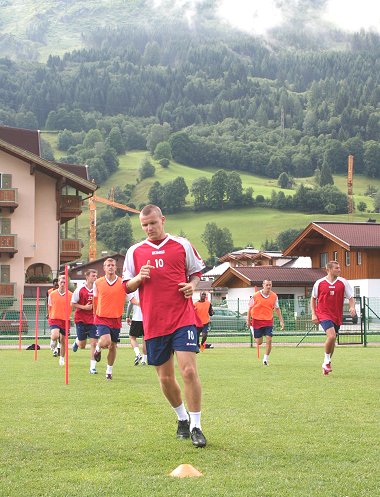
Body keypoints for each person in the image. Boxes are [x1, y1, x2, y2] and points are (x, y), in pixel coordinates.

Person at [122, 204, 207, 448]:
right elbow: (126, 285)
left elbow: (197, 273)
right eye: (144, 225)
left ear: (163, 220)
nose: (149, 228)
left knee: (189, 371)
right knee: (166, 378)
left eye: (153, 223)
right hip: (154, 322)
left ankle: (196, 425)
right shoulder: (135, 252)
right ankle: (181, 417)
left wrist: (193, 286)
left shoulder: (182, 245)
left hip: (182, 317)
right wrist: (139, 278)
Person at [311, 260, 356, 375]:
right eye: (337, 268)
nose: (339, 270)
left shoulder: (343, 282)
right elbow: (313, 298)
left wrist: (352, 307)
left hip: (336, 315)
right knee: (331, 336)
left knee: (333, 340)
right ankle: (326, 362)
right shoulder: (319, 283)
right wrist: (313, 314)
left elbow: (351, 297)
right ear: (329, 270)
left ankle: (327, 363)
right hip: (323, 313)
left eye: (339, 268)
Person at [93, 258, 126, 380]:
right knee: (106, 341)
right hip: (102, 317)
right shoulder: (98, 282)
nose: (110, 267)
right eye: (108, 265)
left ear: (116, 267)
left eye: (112, 265)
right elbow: (95, 300)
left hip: (116, 318)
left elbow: (131, 298)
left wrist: (141, 303)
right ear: (104, 268)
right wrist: (94, 315)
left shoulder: (122, 283)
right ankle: (98, 347)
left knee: (112, 346)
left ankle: (109, 371)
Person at [247, 279, 285, 366]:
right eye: (267, 285)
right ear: (263, 285)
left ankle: (265, 359)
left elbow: (277, 309)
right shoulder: (255, 295)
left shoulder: (274, 296)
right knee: (259, 342)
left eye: (270, 285)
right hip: (256, 320)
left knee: (269, 339)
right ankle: (253, 330)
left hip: (268, 320)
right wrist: (248, 320)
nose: (268, 287)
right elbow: (249, 308)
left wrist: (281, 321)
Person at [71, 269, 99, 374]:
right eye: (93, 276)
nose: (95, 278)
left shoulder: (98, 289)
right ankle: (77, 341)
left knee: (94, 343)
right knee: (82, 345)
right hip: (81, 319)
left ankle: (92, 367)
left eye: (96, 276)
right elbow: (72, 303)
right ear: (87, 277)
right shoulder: (80, 290)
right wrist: (84, 307)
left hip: (93, 319)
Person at [48, 275, 73, 366]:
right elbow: (49, 306)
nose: (62, 284)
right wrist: (50, 315)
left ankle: (62, 358)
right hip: (54, 318)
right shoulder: (52, 294)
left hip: (65, 320)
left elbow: (73, 306)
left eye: (64, 282)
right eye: (61, 282)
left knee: (63, 341)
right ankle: (52, 341)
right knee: (55, 335)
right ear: (58, 282)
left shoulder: (71, 295)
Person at [126, 289, 147, 366]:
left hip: (137, 318)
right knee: (145, 339)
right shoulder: (149, 288)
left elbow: (130, 303)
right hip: (147, 318)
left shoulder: (135, 289)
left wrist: (127, 316)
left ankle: (138, 354)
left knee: (132, 337)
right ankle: (144, 360)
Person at [47, 278, 59, 356]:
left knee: (61, 336)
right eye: (56, 285)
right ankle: (54, 346)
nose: (57, 286)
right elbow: (47, 304)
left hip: (62, 316)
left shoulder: (65, 292)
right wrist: (48, 313)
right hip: (53, 315)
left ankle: (57, 350)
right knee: (55, 335)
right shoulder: (49, 292)